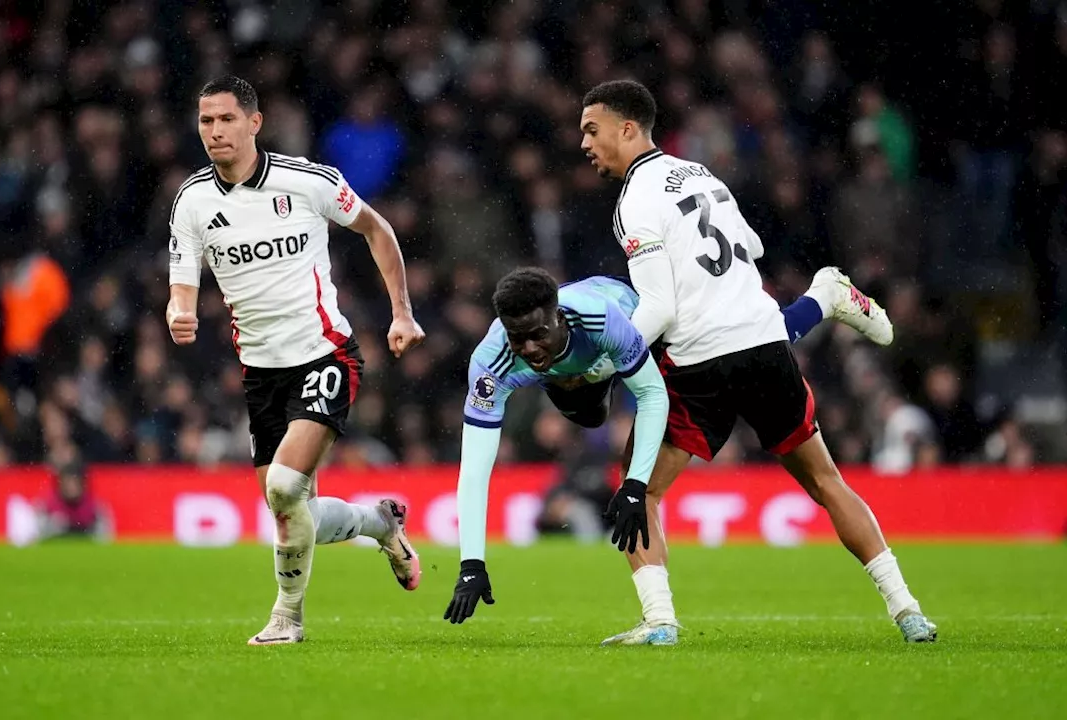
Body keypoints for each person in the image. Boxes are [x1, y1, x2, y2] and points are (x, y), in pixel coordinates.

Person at [578, 79, 935, 645]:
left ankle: (660, 622)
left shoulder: (633, 202)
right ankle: (909, 610)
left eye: (592, 130)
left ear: (628, 129)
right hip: (766, 345)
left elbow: (661, 306)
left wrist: (601, 363)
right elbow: (752, 248)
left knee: (637, 487)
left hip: (700, 364)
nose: (585, 143)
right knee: (825, 481)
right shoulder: (702, 173)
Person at [167, 76, 426, 645]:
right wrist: (177, 312)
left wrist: (401, 312)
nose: (215, 131)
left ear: (254, 122)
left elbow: (376, 229)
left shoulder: (306, 181)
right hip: (260, 372)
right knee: (291, 509)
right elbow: (181, 285)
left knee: (284, 489)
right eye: (206, 121)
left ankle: (288, 618)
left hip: (324, 354)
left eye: (226, 119)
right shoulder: (192, 201)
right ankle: (380, 523)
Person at [443, 270, 669, 624]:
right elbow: (474, 472)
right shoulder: (490, 361)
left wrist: (635, 485)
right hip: (574, 369)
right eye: (518, 338)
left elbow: (653, 394)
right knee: (590, 416)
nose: (529, 348)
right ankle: (576, 378)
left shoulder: (602, 317)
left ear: (559, 316)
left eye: (538, 334)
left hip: (639, 323)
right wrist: (472, 565)